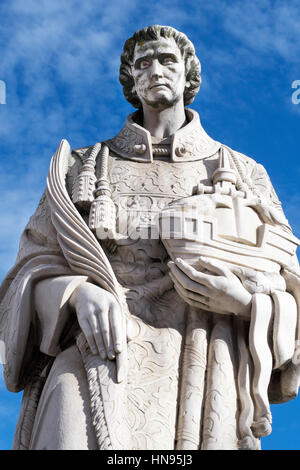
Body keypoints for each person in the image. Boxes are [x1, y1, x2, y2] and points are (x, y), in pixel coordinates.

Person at [1, 24, 300, 451]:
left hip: (203, 359)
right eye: (143, 63)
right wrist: (75, 294)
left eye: (167, 60)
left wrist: (244, 303)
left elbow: (289, 283)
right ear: (130, 79)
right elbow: (29, 270)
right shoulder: (83, 166)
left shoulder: (243, 172)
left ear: (188, 74)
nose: (155, 69)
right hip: (95, 352)